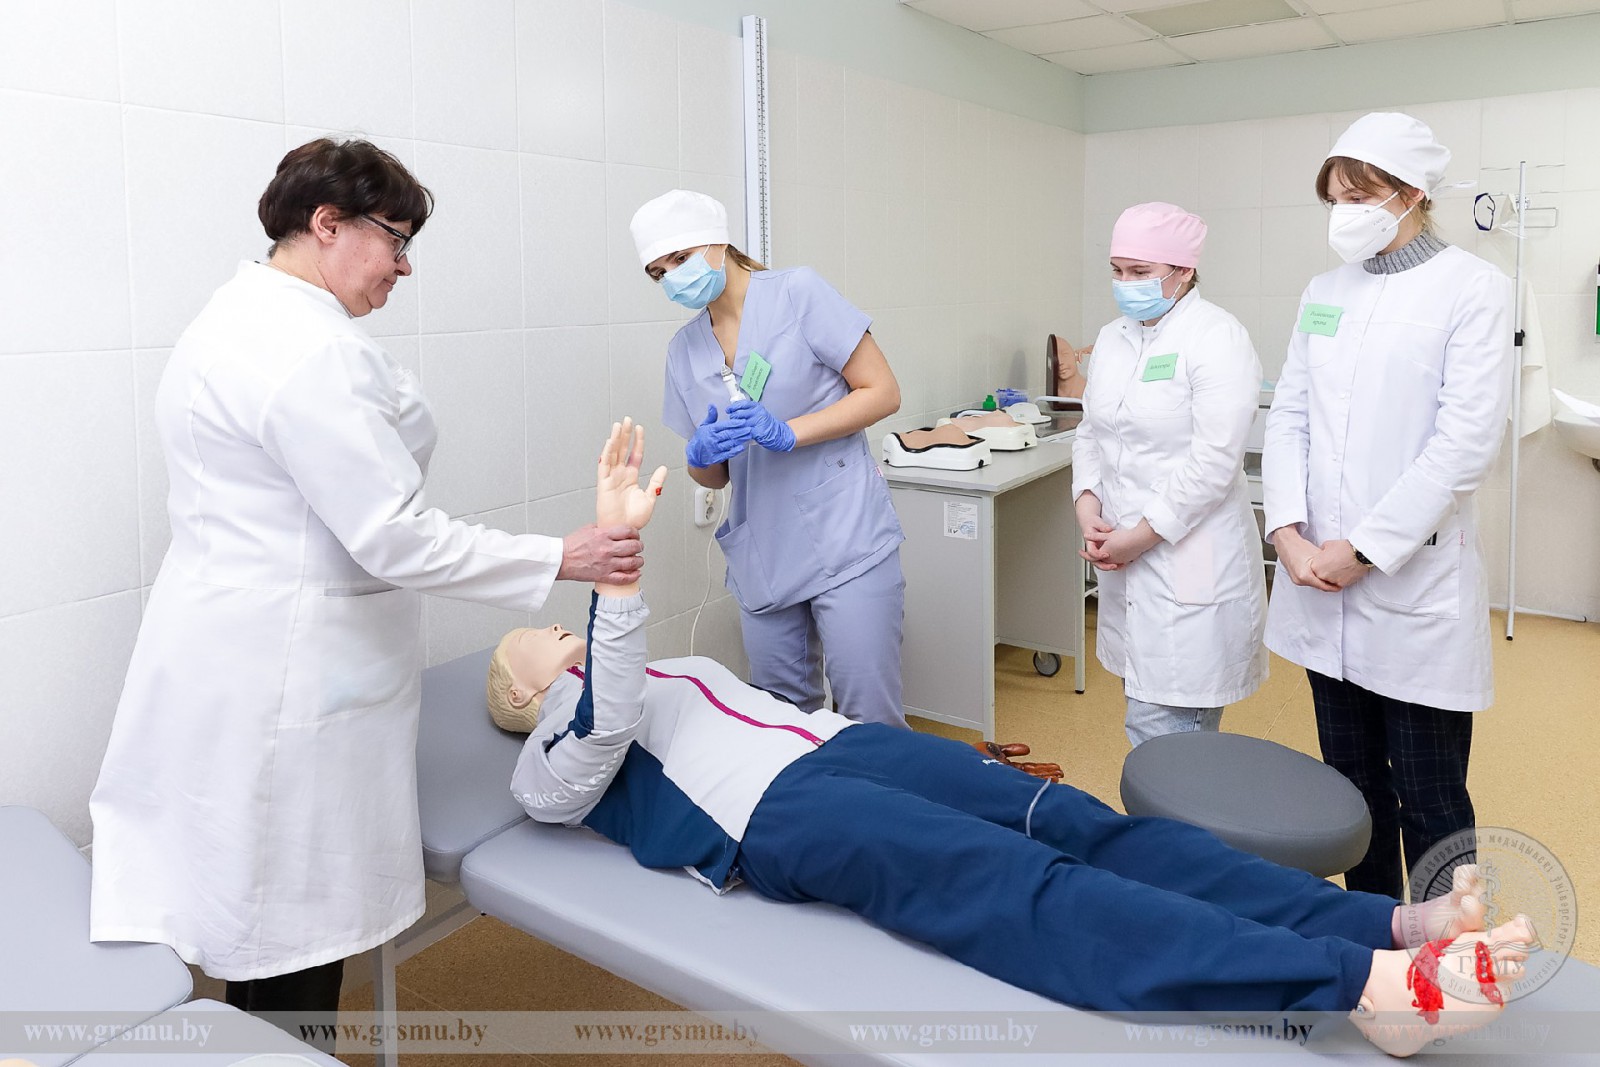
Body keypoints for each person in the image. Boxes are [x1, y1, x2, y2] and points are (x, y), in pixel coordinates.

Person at [493, 419, 1533, 1060]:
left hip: (841, 749)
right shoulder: (552, 761)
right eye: (536, 640)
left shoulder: (656, 671)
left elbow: (721, 700)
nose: (552, 632)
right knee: (1024, 885)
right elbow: (607, 716)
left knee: (1091, 829)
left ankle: (1385, 925)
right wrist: (613, 579)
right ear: (518, 692)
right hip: (777, 815)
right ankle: (1358, 989)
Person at [87, 138, 643, 1038]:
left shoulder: (233, 319)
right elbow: (395, 535)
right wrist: (561, 556)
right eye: (395, 238)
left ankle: (263, 1048)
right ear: (327, 222)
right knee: (295, 928)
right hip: (293, 674)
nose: (404, 265)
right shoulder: (313, 352)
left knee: (258, 915)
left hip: (224, 646)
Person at [1262, 113, 1514, 899]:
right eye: (1335, 198)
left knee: (1430, 796)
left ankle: (1446, 955)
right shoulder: (1324, 291)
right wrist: (1286, 531)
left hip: (1411, 588)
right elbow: (1290, 416)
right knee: (1350, 789)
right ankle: (1373, 935)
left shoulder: (1474, 288)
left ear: (1410, 194)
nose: (1343, 213)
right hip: (1316, 578)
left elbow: (1464, 443)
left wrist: (1364, 548)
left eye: (1359, 196)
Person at [630, 189, 906, 727]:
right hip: (764, 551)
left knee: (869, 718)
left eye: (680, 259)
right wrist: (700, 456)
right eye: (660, 273)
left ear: (717, 243)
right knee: (779, 725)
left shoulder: (797, 293)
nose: (673, 279)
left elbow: (883, 391)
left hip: (844, 534)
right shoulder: (684, 351)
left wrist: (788, 433)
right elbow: (713, 475)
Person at [1071, 203, 1268, 747]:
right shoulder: (1114, 338)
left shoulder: (1217, 337)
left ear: (1183, 271)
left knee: (1170, 737)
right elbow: (1091, 432)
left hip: (1190, 557)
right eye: (1118, 270)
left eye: (1140, 272)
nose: (1125, 284)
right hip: (1123, 548)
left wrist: (1139, 536)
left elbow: (1214, 462)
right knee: (1146, 719)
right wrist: (1088, 506)